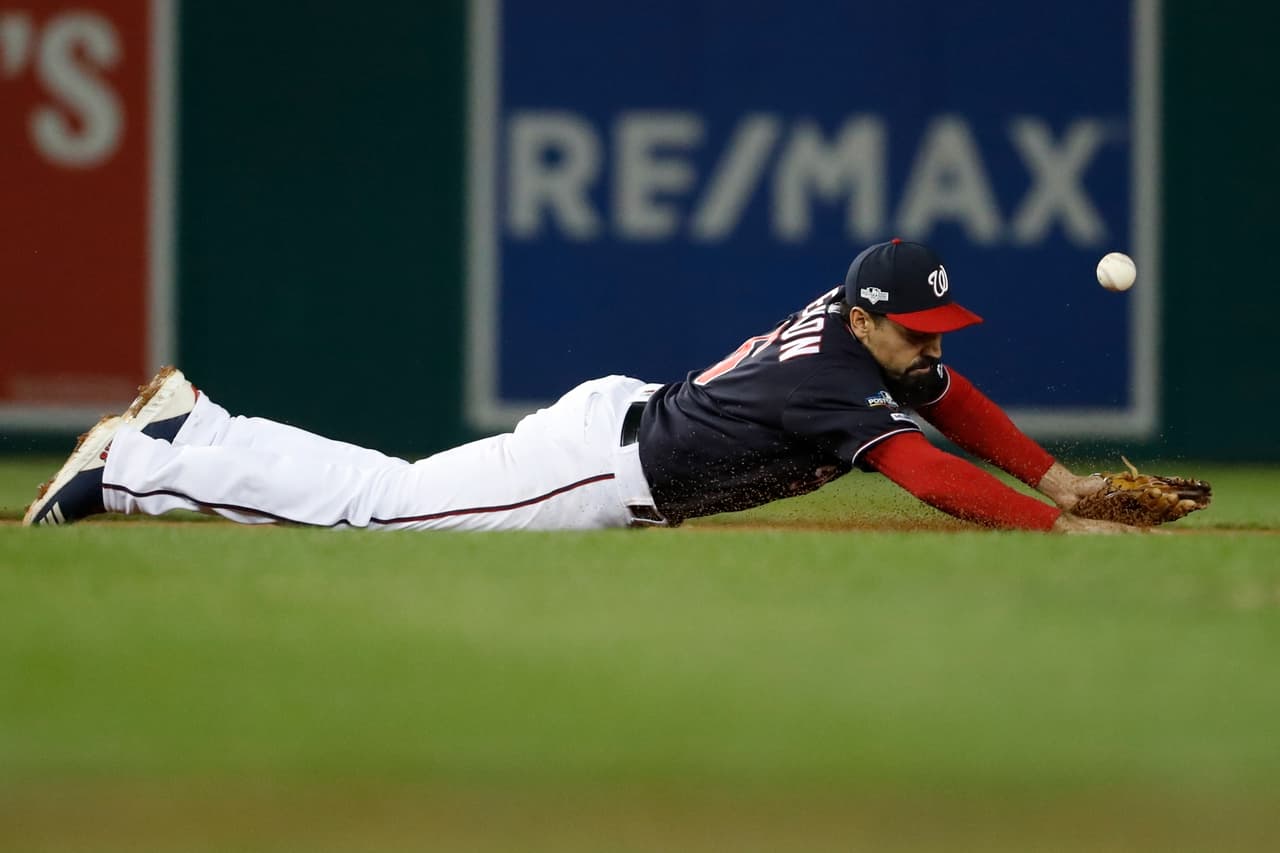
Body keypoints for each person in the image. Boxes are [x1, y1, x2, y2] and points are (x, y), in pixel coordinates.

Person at [23, 239, 1128, 533]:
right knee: (381, 508)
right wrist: (1056, 528)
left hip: (619, 426)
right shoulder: (833, 375)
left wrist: (1059, 482)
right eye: (916, 331)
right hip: (596, 469)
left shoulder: (862, 332)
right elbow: (927, 471)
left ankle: (195, 426)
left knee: (392, 485)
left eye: (939, 329)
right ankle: (131, 469)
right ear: (867, 318)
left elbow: (945, 398)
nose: (931, 348)